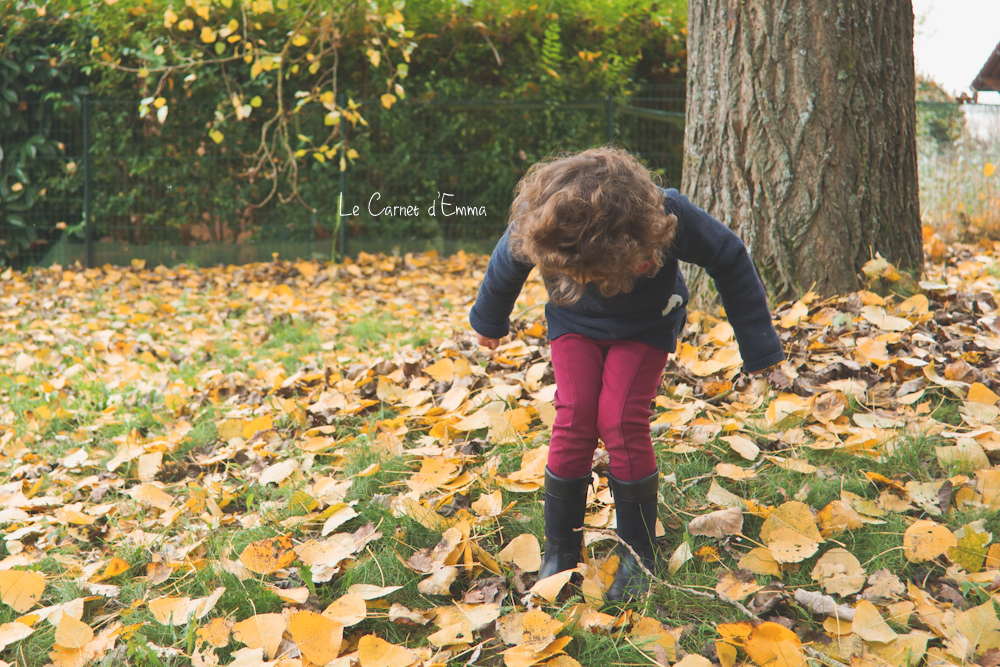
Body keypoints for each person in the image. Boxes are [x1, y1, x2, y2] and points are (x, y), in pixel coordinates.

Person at [469, 146, 784, 602]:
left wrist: (758, 346)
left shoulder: (665, 214)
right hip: (574, 322)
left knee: (618, 419)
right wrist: (489, 320)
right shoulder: (544, 218)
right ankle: (560, 551)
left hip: (646, 324)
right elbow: (507, 262)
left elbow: (729, 257)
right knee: (575, 414)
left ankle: (638, 554)